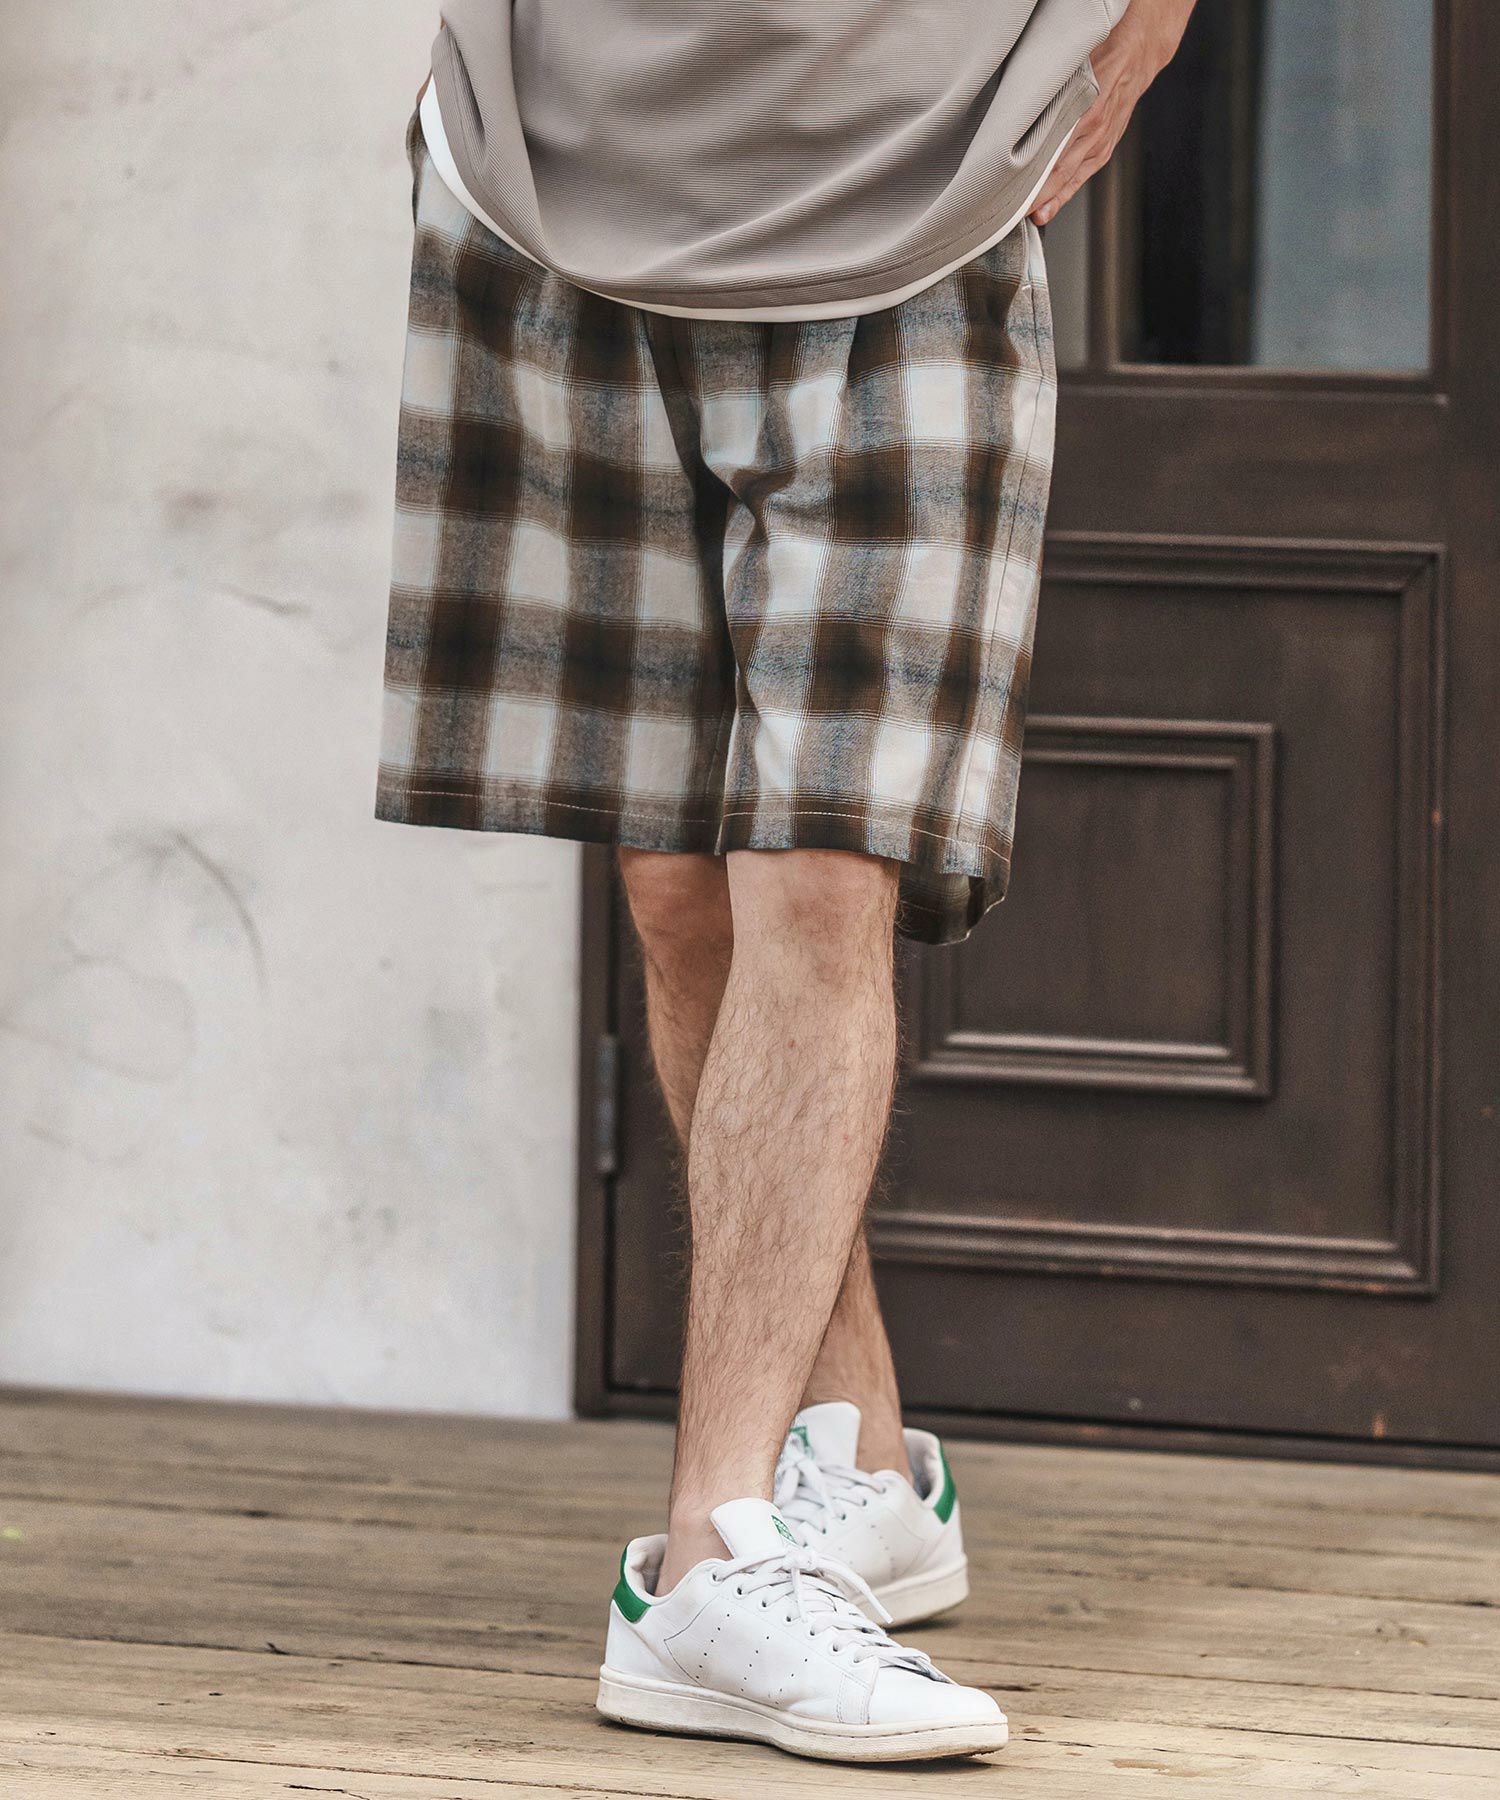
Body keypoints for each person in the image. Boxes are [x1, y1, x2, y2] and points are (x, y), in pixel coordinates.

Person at [377, 0, 1196, 1764]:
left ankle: (712, 1552)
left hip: (924, 190)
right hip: (550, 187)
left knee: (822, 868)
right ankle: (866, 1461)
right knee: (678, 883)